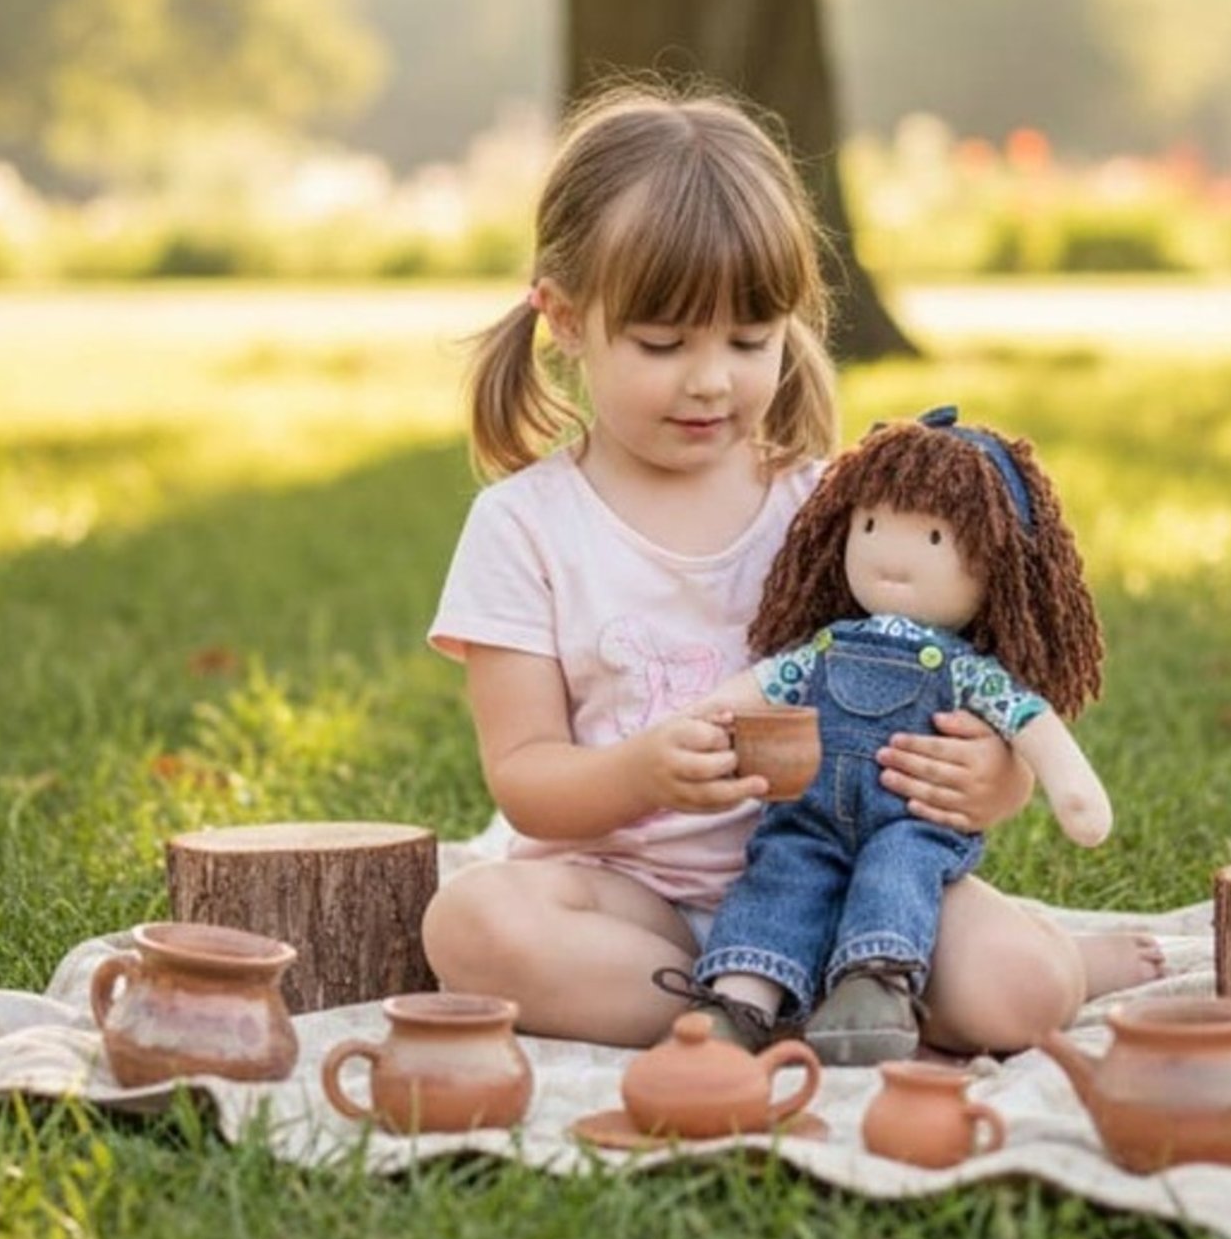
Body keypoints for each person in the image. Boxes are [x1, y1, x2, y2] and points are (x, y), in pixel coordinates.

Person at [422, 78, 1161, 1052]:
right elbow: (526, 778)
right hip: (630, 893)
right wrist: (645, 772)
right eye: (661, 341)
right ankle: (766, 1002)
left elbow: (949, 684)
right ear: (563, 318)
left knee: (1015, 994)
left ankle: (1021, 962)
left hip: (848, 874)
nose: (711, 378)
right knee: (469, 925)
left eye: (749, 338)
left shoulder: (824, 510)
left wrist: (993, 780)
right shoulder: (524, 526)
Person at [688, 409, 1118, 1066]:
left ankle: (874, 988)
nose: (890, 554)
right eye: (869, 526)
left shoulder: (965, 670)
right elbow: (758, 687)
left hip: (909, 822)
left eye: (935, 538)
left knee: (899, 874)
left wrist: (1067, 788)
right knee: (780, 876)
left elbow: (1030, 722)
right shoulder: (824, 645)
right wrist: (709, 717)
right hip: (808, 817)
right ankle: (739, 1000)